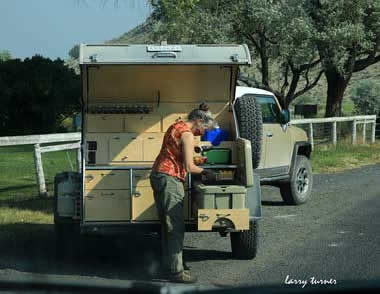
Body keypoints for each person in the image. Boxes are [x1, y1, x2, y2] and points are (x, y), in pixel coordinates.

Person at [150, 103, 217, 283]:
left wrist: (197, 159)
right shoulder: (188, 135)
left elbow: (176, 153)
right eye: (204, 128)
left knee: (167, 225)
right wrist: (205, 172)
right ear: (198, 121)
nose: (203, 132)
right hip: (170, 178)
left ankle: (169, 266)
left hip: (158, 174)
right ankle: (176, 272)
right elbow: (189, 167)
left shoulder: (176, 126)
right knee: (175, 226)